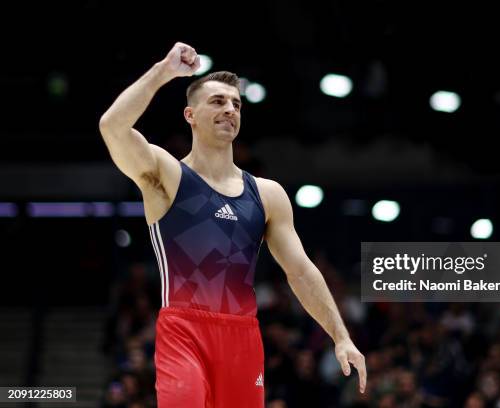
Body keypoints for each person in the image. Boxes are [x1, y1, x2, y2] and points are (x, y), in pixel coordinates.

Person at [99, 41, 366, 407]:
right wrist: (164, 71)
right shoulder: (166, 173)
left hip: (242, 338)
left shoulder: (267, 194)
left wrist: (340, 336)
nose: (230, 110)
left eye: (236, 104)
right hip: (184, 331)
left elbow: (300, 271)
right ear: (189, 114)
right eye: (218, 101)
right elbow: (112, 126)